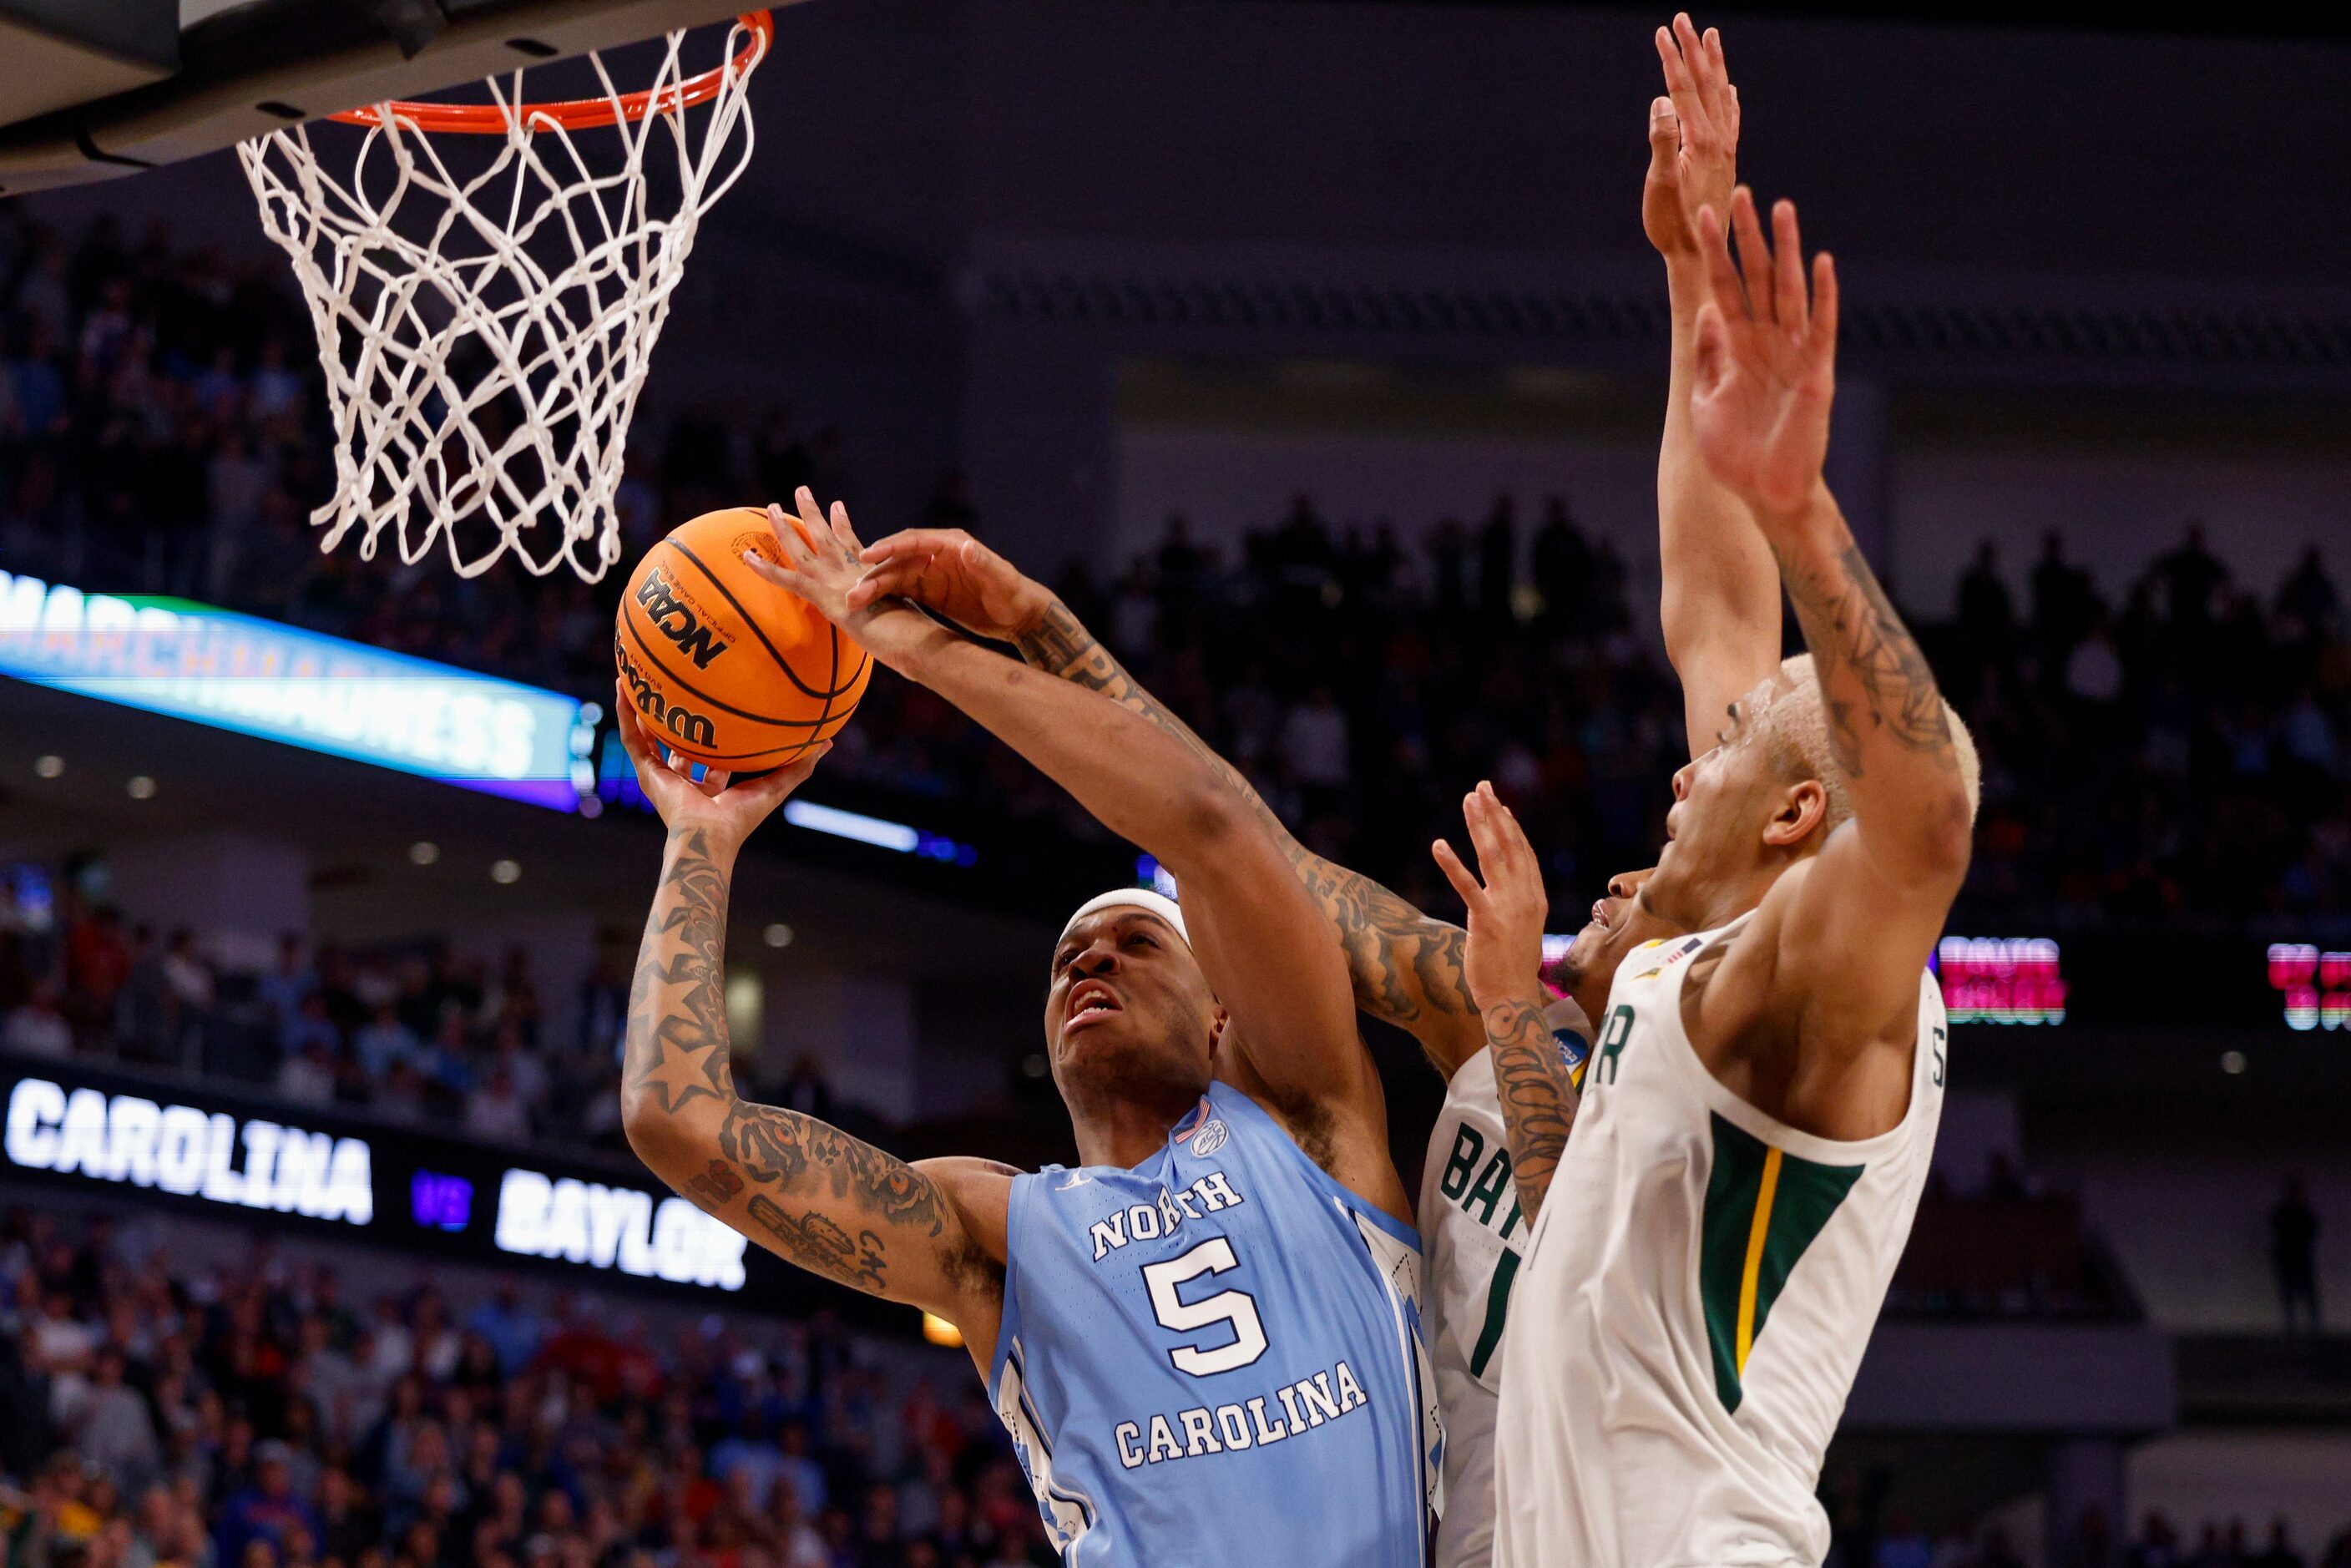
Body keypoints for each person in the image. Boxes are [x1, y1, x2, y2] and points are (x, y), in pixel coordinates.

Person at [615, 503, 1438, 1566]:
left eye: (1137, 944)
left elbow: (1207, 824)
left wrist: (947, 640)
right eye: (1065, 963)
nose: (1088, 963)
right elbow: (671, 1120)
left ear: (1225, 1012)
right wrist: (702, 839)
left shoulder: (1310, 1120)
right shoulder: (996, 1233)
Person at [1490, 177, 1979, 1565]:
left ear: (1796, 814)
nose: (1682, 769)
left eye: (1722, 758)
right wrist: (1688, 261)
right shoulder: (1707, 955)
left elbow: (1929, 826)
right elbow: (1711, 601)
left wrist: (1803, 508)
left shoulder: (1819, 981)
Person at [2271, 1173, 2321, 1336]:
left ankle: (2311, 1328)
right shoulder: (2286, 1213)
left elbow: (2311, 1231)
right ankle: (2296, 1328)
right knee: (2292, 1295)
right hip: (2290, 1257)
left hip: (2298, 1257)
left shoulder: (2302, 1213)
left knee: (2305, 1294)